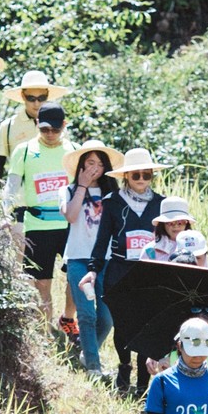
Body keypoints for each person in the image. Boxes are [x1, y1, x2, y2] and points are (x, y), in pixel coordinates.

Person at [80, 147, 168, 396]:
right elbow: (102, 240)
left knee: (144, 326)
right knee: (123, 326)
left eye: (146, 175)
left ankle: (142, 382)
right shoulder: (113, 203)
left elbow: (171, 238)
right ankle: (124, 366)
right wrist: (93, 270)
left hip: (148, 273)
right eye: (135, 175)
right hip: (119, 271)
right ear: (125, 177)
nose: (141, 180)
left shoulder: (161, 204)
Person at [4, 102, 75, 327]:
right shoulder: (23, 151)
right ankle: (45, 332)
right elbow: (11, 186)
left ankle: (68, 319)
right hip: (37, 225)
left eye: (55, 129)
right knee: (41, 283)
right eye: (44, 129)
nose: (50, 134)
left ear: (64, 125)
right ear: (36, 124)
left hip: (70, 226)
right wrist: (4, 213)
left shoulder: (74, 150)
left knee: (74, 278)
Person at [61, 139, 121, 379]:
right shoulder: (67, 190)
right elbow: (72, 216)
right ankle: (94, 368)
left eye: (99, 163)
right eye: (89, 163)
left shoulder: (114, 195)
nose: (94, 168)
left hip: (107, 259)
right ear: (81, 166)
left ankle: (88, 352)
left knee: (106, 317)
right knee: (86, 314)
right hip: (77, 258)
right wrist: (82, 186)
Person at [0, 69, 69, 181]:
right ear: (23, 96)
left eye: (41, 98)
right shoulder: (7, 126)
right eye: (31, 98)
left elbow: (67, 160)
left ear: (47, 95)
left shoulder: (58, 126)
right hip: (20, 193)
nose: (36, 103)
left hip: (52, 189)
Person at [140, 197, 195, 263]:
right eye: (170, 223)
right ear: (163, 224)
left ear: (186, 223)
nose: (176, 226)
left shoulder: (197, 246)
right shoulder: (150, 250)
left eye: (180, 223)